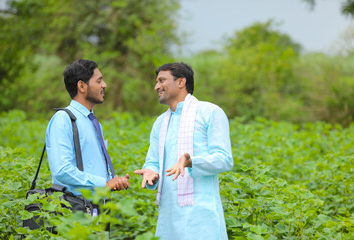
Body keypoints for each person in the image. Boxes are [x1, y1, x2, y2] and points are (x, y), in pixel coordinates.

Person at [134, 62, 233, 240]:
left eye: (161, 80)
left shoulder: (210, 112)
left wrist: (191, 162)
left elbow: (224, 159)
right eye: (156, 82)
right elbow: (153, 161)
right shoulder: (160, 122)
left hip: (201, 215)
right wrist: (150, 172)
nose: (156, 87)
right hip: (169, 214)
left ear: (181, 82)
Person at [46, 59, 130, 199]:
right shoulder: (63, 119)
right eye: (99, 81)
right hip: (75, 211)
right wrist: (104, 183)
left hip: (97, 209)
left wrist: (114, 181)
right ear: (82, 86)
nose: (104, 85)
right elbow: (62, 170)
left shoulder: (93, 121)